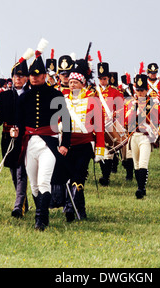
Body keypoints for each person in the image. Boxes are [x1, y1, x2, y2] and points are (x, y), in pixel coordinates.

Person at [17, 54, 71, 231]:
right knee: (33, 185)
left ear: (45, 76)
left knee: (44, 182)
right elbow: (19, 121)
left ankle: (40, 220)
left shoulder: (55, 95)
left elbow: (66, 120)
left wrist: (65, 144)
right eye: (32, 74)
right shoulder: (24, 97)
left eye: (38, 74)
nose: (34, 77)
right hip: (30, 143)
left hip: (50, 143)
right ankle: (42, 213)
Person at [59, 59, 105, 221]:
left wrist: (100, 150)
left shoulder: (93, 101)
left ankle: (70, 208)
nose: (72, 85)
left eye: (75, 82)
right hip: (68, 145)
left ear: (83, 83)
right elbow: (58, 120)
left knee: (79, 176)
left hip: (85, 145)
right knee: (71, 177)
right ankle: (81, 210)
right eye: (70, 82)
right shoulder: (64, 100)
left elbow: (99, 127)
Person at [0, 57, 30, 218]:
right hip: (7, 139)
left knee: (21, 172)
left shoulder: (30, 95)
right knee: (14, 172)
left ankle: (18, 206)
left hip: (24, 138)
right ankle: (23, 200)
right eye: (15, 76)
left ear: (26, 77)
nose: (17, 79)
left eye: (20, 76)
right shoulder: (5, 96)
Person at [125, 66, 159, 199]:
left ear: (146, 90)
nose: (139, 93)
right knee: (136, 164)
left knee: (144, 163)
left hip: (145, 137)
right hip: (134, 136)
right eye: (137, 90)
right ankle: (140, 187)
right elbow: (127, 121)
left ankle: (141, 188)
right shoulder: (131, 104)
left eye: (142, 90)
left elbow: (155, 123)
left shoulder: (152, 104)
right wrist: (134, 108)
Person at [95, 53, 124, 186]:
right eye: (100, 78)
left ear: (109, 78)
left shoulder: (115, 92)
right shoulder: (94, 92)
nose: (102, 81)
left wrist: (115, 114)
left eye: (105, 78)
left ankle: (105, 177)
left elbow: (121, 108)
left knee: (109, 151)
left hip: (110, 125)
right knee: (99, 150)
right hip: (97, 125)